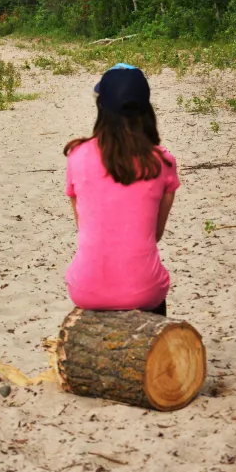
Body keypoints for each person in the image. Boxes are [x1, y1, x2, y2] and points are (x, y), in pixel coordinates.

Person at [63, 63, 179, 316]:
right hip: (144, 289)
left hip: (85, 289)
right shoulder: (163, 161)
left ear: (101, 107)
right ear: (146, 110)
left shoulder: (77, 156)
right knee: (150, 288)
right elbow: (154, 234)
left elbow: (83, 226)